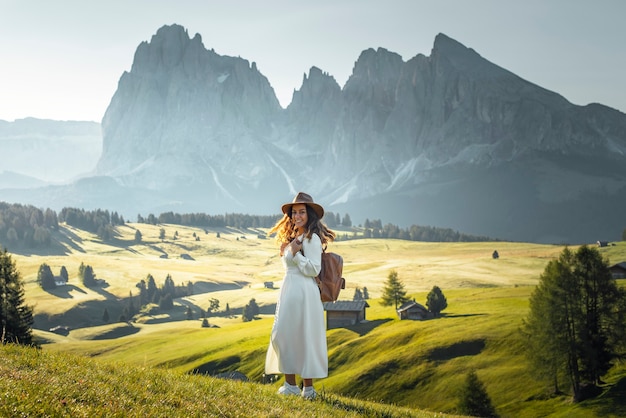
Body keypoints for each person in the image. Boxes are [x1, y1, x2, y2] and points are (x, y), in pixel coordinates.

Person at [265, 192, 336, 400]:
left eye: (301, 212)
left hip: (304, 292)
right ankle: (291, 385)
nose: (297, 216)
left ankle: (308, 389)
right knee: (284, 335)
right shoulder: (295, 238)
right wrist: (287, 252)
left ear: (309, 214)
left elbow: (313, 269)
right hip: (291, 290)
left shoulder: (311, 238)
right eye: (294, 212)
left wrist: (295, 255)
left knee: (304, 336)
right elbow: (292, 264)